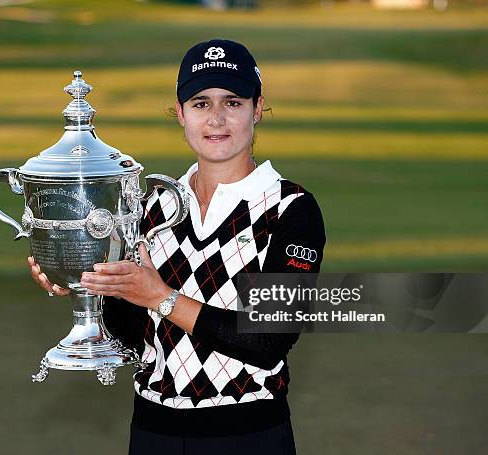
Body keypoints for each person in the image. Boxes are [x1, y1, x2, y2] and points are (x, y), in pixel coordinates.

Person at [28, 39, 326, 455]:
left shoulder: (291, 208)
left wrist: (163, 297)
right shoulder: (150, 205)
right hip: (154, 431)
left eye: (233, 102)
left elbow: (268, 339)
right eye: (201, 103)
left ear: (257, 109)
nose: (217, 118)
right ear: (180, 113)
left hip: (249, 435)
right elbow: (133, 334)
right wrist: (87, 282)